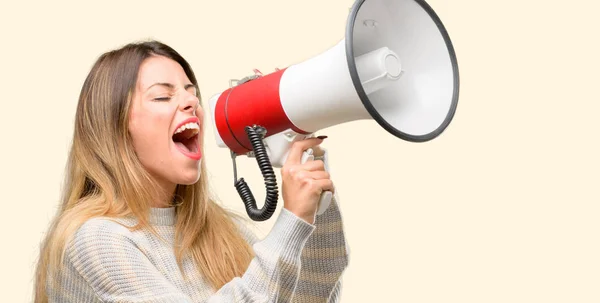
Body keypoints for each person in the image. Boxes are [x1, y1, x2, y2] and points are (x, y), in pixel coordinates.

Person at [33, 40, 349, 302]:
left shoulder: (218, 233)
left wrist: (313, 199)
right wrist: (290, 221)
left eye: (191, 92)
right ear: (115, 127)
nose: (190, 103)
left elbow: (309, 296)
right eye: (162, 95)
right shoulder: (96, 239)